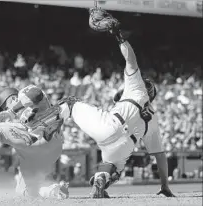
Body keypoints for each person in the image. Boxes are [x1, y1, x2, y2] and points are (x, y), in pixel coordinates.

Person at [58, 7, 175, 198]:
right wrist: (165, 186)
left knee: (70, 103)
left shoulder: (137, 88)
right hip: (124, 145)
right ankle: (100, 179)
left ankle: (35, 126)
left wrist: (118, 35)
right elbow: (160, 156)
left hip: (111, 125)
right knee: (114, 168)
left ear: (147, 89)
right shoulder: (153, 119)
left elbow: (131, 60)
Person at [0, 85, 69, 199]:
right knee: (24, 192)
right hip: (45, 151)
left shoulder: (23, 96)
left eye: (5, 107)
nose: (5, 111)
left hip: (44, 137)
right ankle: (55, 191)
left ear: (11, 99)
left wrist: (11, 111)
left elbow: (36, 93)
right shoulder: (21, 116)